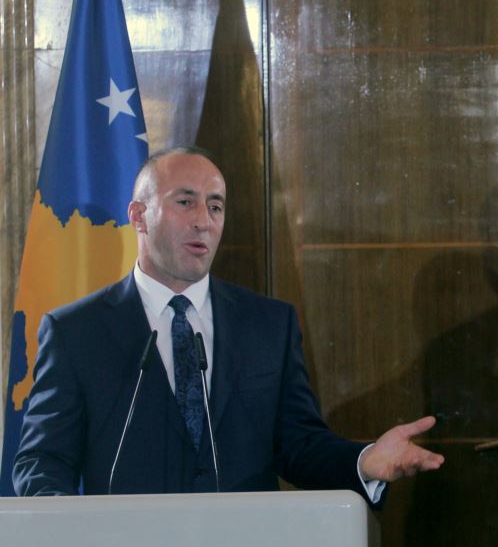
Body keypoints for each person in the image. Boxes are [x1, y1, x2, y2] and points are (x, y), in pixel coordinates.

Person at [14, 146, 444, 499]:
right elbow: (43, 461)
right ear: (139, 216)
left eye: (215, 205)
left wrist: (364, 461)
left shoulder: (269, 324)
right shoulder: (76, 332)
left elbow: (300, 446)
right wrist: (67, 527)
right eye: (185, 202)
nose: (204, 220)